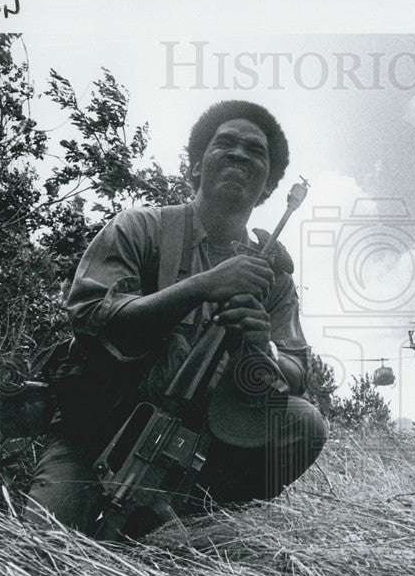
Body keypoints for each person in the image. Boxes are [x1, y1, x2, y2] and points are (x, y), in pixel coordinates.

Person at [24, 100, 327, 537]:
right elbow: (90, 313)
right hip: (96, 433)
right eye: (225, 143)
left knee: (302, 421)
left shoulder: (273, 277)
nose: (240, 154)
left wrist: (262, 347)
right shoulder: (140, 229)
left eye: (255, 151)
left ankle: (202, 514)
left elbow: (296, 373)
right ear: (197, 166)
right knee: (47, 553)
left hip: (203, 443)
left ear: (268, 187)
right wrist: (201, 286)